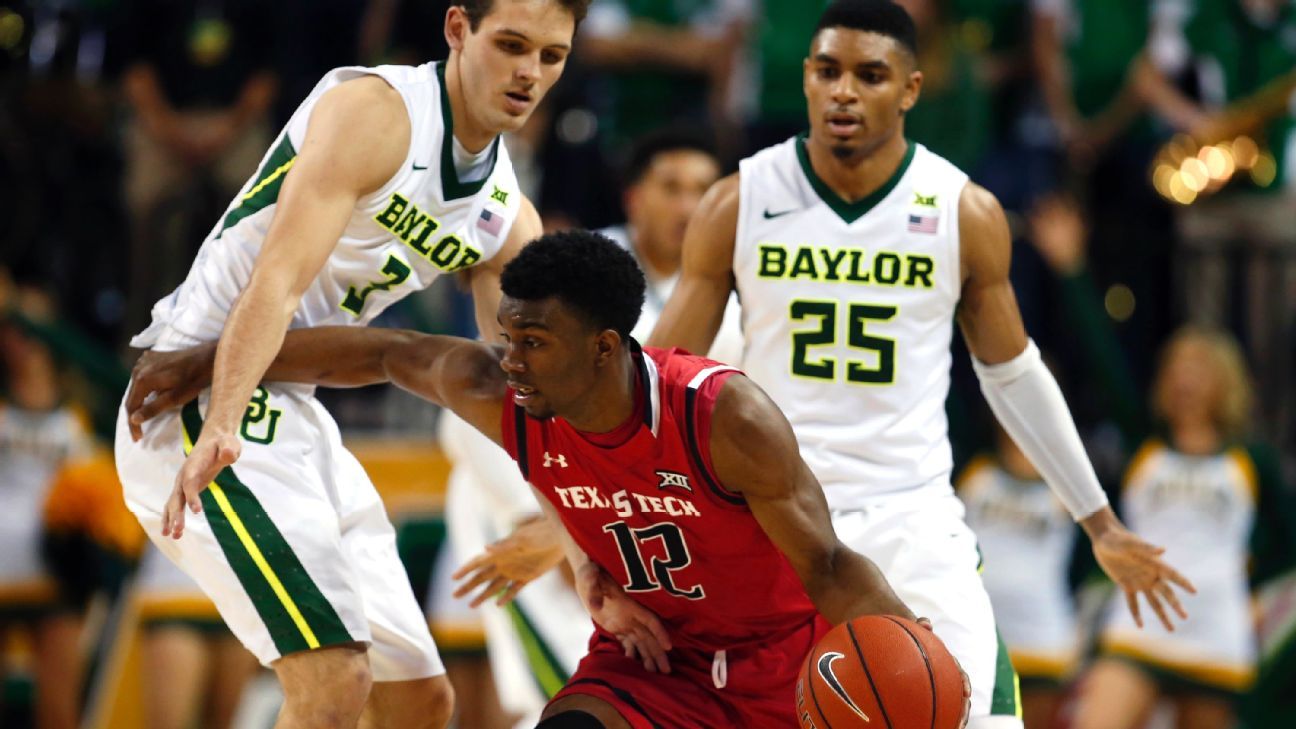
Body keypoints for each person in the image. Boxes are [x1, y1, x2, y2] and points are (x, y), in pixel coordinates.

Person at [125, 230, 967, 729]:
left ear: (604, 347)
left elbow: (827, 566)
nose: (511, 358)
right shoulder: (510, 398)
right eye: (508, 333)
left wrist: (909, 648)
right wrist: (209, 360)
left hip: (778, 668)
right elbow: (385, 352)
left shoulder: (723, 415)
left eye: (536, 341)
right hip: (653, 662)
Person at [643, 2, 1194, 726]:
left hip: (913, 519)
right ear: (805, 79)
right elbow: (656, 379)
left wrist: (1100, 521)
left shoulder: (962, 210)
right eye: (828, 71)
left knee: (981, 718)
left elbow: (1013, 374)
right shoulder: (738, 201)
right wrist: (592, 531)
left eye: (870, 75)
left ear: (911, 89)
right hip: (772, 521)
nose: (844, 91)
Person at [114, 1, 588, 726]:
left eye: (551, 57)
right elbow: (277, 279)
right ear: (458, 29)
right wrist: (225, 420)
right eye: (512, 45)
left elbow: (525, 395)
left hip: (297, 407)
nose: (528, 72)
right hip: (202, 395)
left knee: (421, 700)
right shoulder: (378, 109)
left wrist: (570, 523)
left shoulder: (501, 214)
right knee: (334, 679)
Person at [441, 129, 738, 726]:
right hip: (526, 511)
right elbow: (477, 416)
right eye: (670, 187)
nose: (686, 205)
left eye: (701, 191)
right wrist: (555, 524)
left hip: (652, 531)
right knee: (565, 699)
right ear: (633, 198)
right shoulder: (574, 272)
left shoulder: (736, 299)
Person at [956, 427, 1081, 729]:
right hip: (976, 636)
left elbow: (1083, 564)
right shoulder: (975, 472)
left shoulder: (1070, 484)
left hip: (1042, 640)